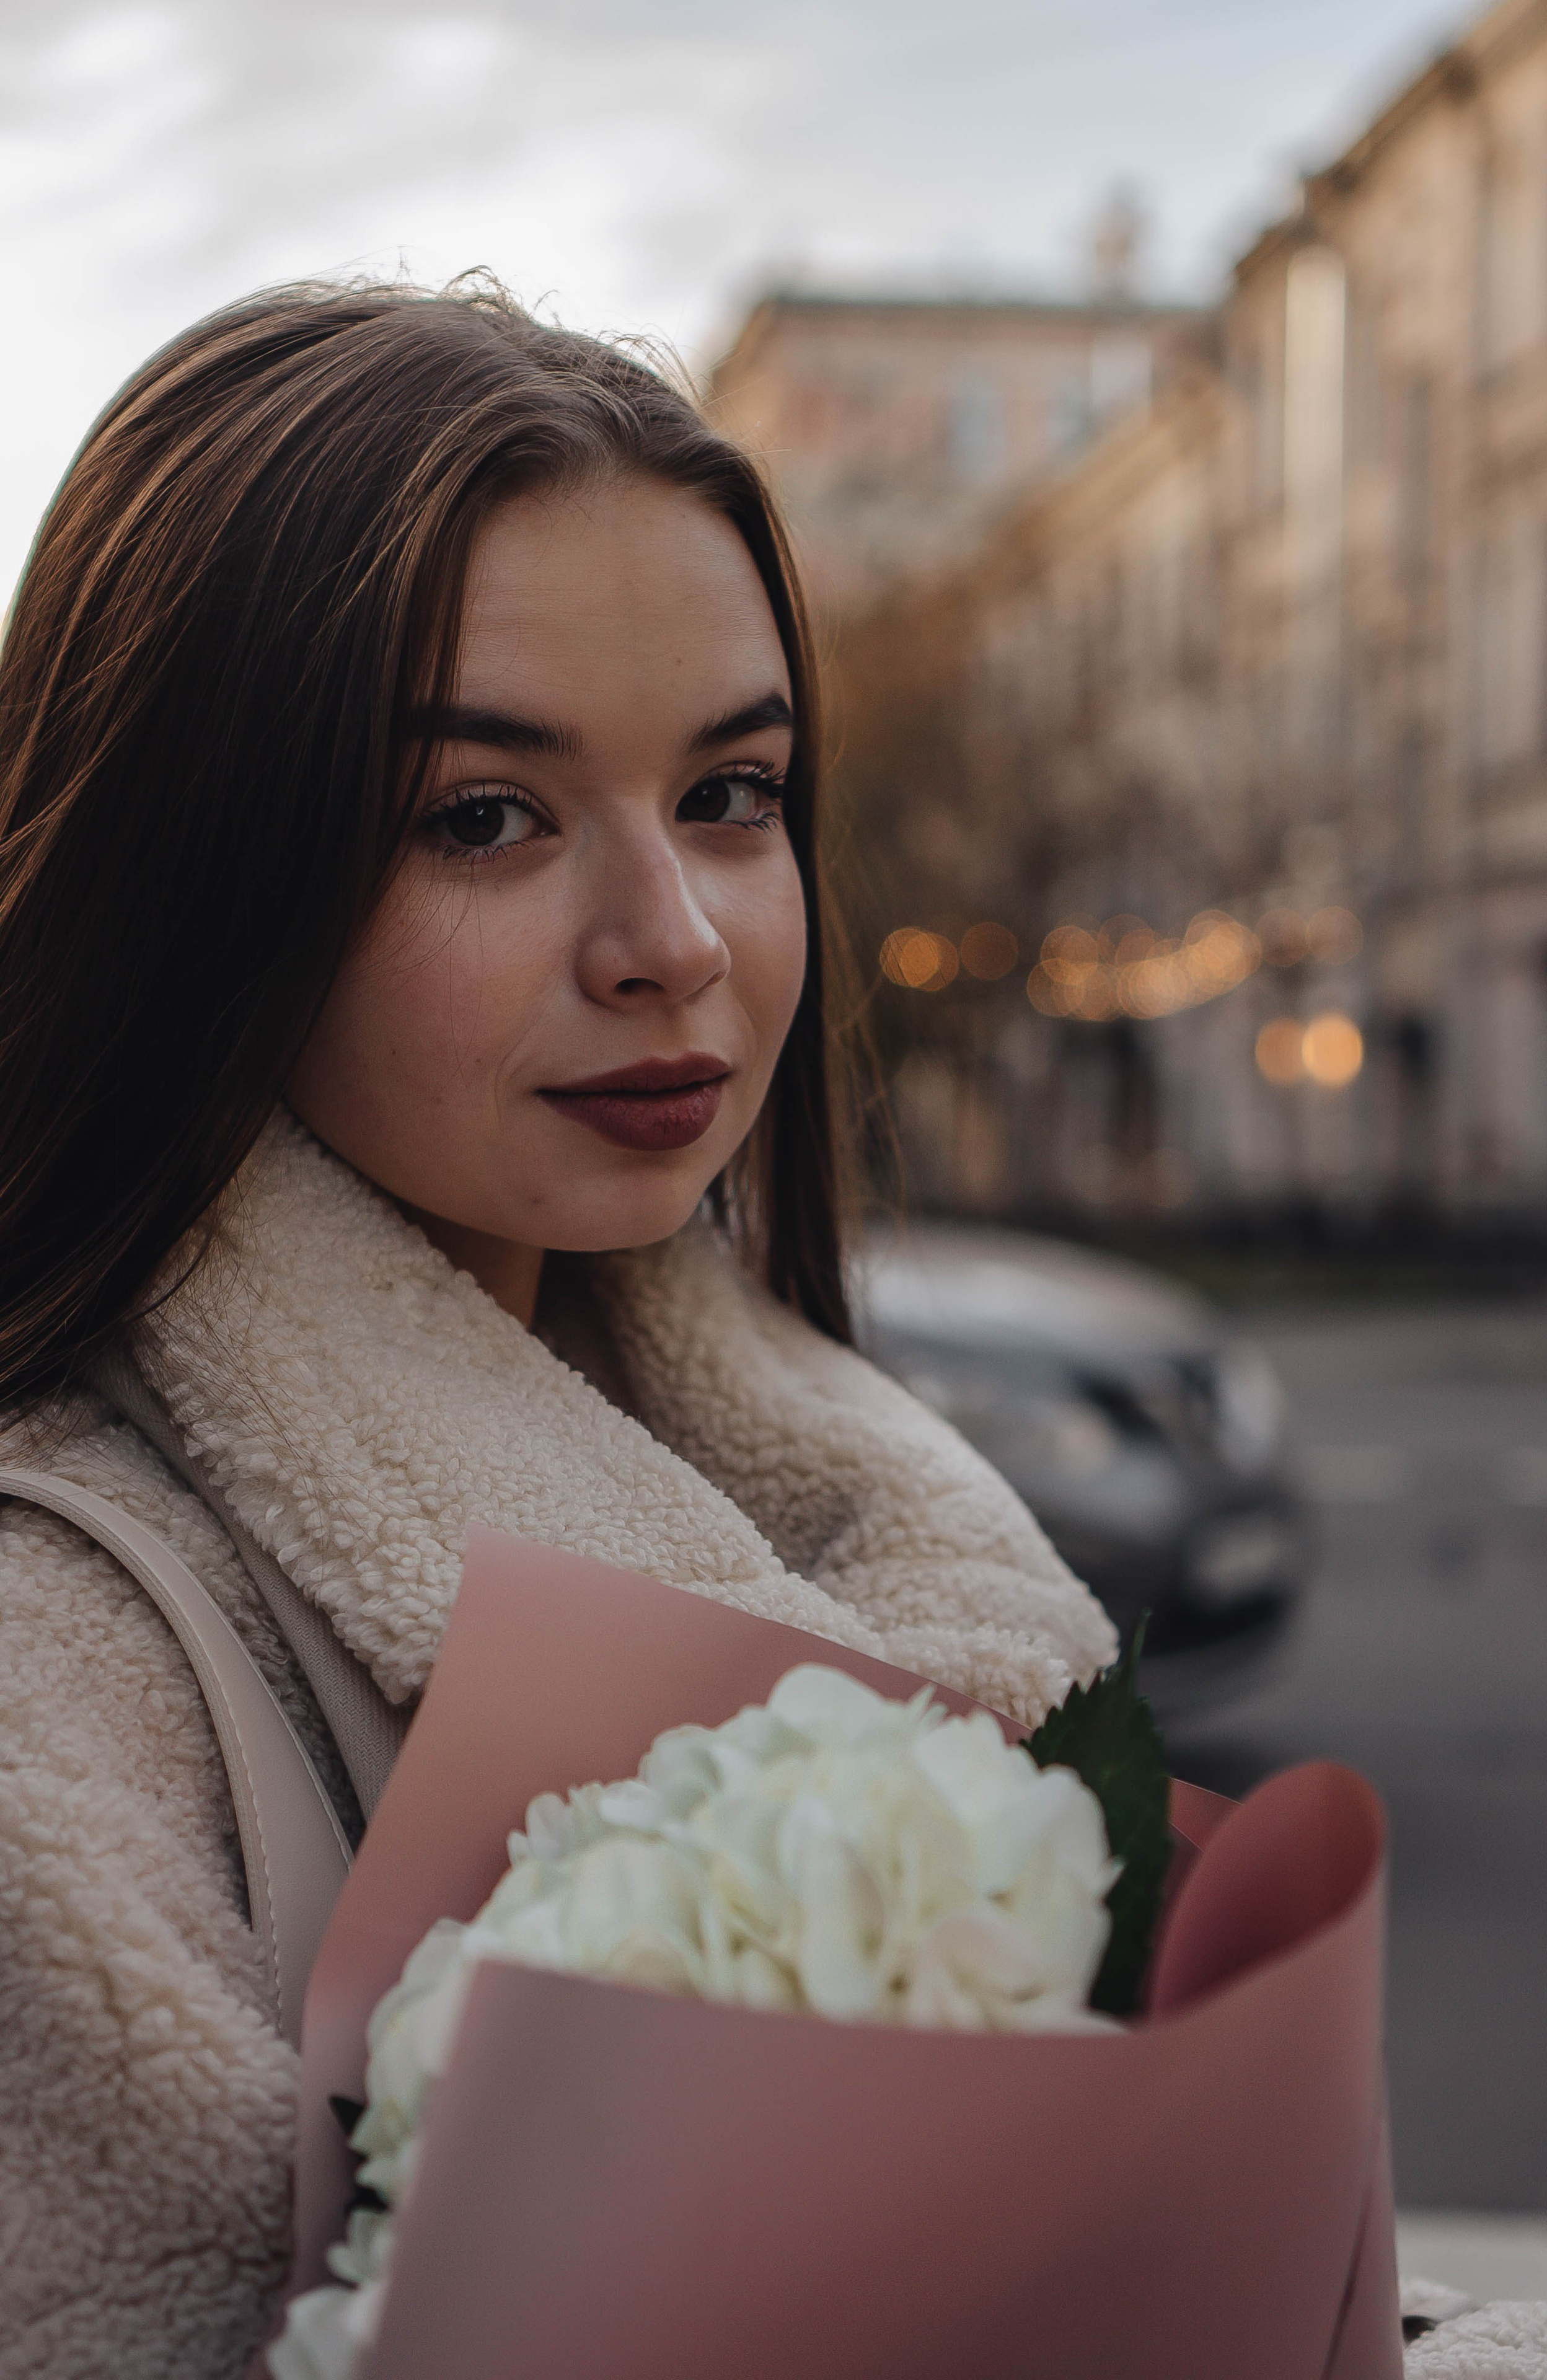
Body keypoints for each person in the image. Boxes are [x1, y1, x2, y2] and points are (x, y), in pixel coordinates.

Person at [0, 280, 1115, 2380]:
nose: (675, 941)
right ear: (187, 875)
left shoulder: (821, 1462)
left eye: (734, 792)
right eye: (483, 817)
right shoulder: (51, 1667)